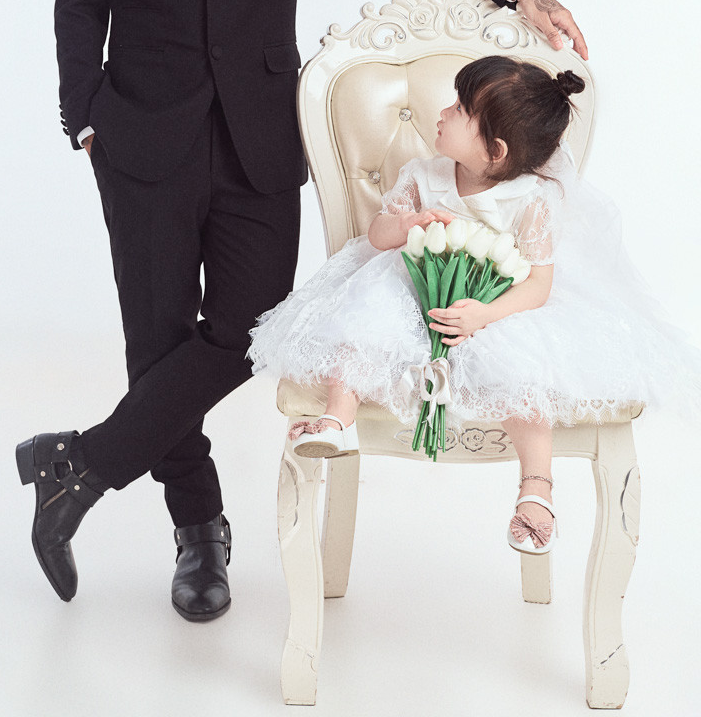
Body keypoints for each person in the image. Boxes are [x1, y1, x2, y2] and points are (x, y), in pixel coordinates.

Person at [19, 0, 589, 617]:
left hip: (256, 138)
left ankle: (80, 465)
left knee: (250, 330)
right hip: (141, 137)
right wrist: (85, 120)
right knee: (158, 343)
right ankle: (199, 532)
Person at [248, 56, 701, 554]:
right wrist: (407, 224)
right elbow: (377, 236)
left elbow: (538, 285)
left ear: (495, 149)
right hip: (408, 294)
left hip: (494, 312)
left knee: (524, 375)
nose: (442, 111)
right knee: (364, 320)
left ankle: (536, 487)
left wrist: (484, 315)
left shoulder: (531, 199)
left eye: (460, 108)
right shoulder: (424, 175)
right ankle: (338, 419)